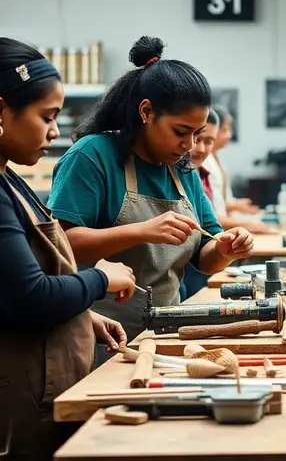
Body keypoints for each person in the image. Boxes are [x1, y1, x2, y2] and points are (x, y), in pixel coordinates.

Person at [0, 38, 137, 460]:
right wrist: (101, 278)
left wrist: (82, 315)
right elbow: (29, 298)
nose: (54, 132)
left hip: (37, 372)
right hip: (20, 379)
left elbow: (8, 282)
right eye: (46, 117)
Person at [48, 36, 255, 361]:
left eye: (197, 134)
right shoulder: (94, 156)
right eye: (180, 131)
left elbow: (205, 256)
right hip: (100, 339)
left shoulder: (182, 171)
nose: (189, 145)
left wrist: (226, 248)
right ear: (146, 111)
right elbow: (61, 244)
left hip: (167, 335)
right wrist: (142, 230)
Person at [200, 105, 272, 235]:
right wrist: (245, 222)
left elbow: (215, 204)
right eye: (224, 130)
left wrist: (237, 205)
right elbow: (209, 213)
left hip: (220, 227)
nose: (228, 135)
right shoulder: (202, 163)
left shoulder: (214, 158)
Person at [180, 107, 223, 300]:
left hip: (182, 281)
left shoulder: (190, 175)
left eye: (209, 141)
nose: (199, 148)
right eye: (197, 139)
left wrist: (226, 245)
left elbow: (213, 237)